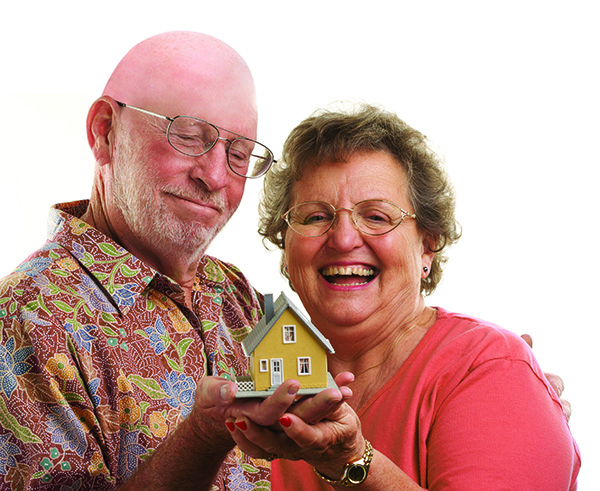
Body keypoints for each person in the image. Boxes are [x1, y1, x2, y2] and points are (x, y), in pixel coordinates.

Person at [0, 31, 347, 490]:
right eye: (188, 136)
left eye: (238, 153)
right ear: (105, 131)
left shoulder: (234, 292)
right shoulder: (26, 317)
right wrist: (204, 434)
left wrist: (341, 451)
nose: (216, 176)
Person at [225, 103, 581, 489]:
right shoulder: (264, 392)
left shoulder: (490, 368)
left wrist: (351, 461)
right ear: (287, 246)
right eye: (315, 217)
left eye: (376, 216)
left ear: (427, 246)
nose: (343, 238)